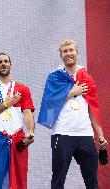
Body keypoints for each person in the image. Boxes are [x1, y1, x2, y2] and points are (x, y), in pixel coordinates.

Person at [38, 39, 108, 189]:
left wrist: (100, 134)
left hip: (85, 135)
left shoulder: (87, 78)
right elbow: (49, 104)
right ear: (60, 55)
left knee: (92, 182)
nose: (68, 53)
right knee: (58, 180)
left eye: (71, 50)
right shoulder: (54, 77)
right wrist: (71, 93)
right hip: (62, 134)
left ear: (77, 52)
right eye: (65, 51)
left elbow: (93, 108)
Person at [0, 53, 35, 189]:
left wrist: (31, 132)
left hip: (18, 139)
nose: (3, 64)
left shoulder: (22, 89)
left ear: (10, 64)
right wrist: (6, 104)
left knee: (20, 179)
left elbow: (27, 112)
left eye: (6, 61)